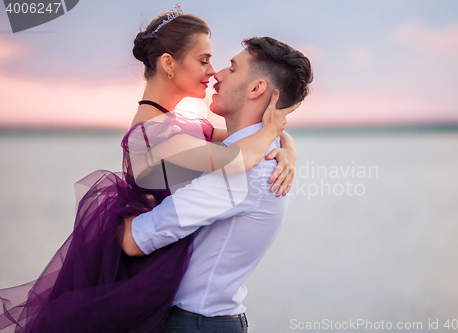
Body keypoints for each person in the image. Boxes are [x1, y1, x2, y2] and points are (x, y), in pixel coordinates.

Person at [0, 6, 299, 333]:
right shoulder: (155, 137)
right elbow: (238, 158)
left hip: (173, 288)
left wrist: (287, 145)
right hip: (147, 272)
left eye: (221, 64)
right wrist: (274, 132)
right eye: (204, 60)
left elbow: (238, 145)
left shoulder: (183, 128)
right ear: (169, 63)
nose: (213, 72)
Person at [122, 35, 313, 332]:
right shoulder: (254, 154)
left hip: (195, 324)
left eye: (232, 68)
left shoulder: (242, 173)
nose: (217, 74)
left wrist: (100, 225)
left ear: (256, 88)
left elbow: (136, 240)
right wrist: (289, 145)